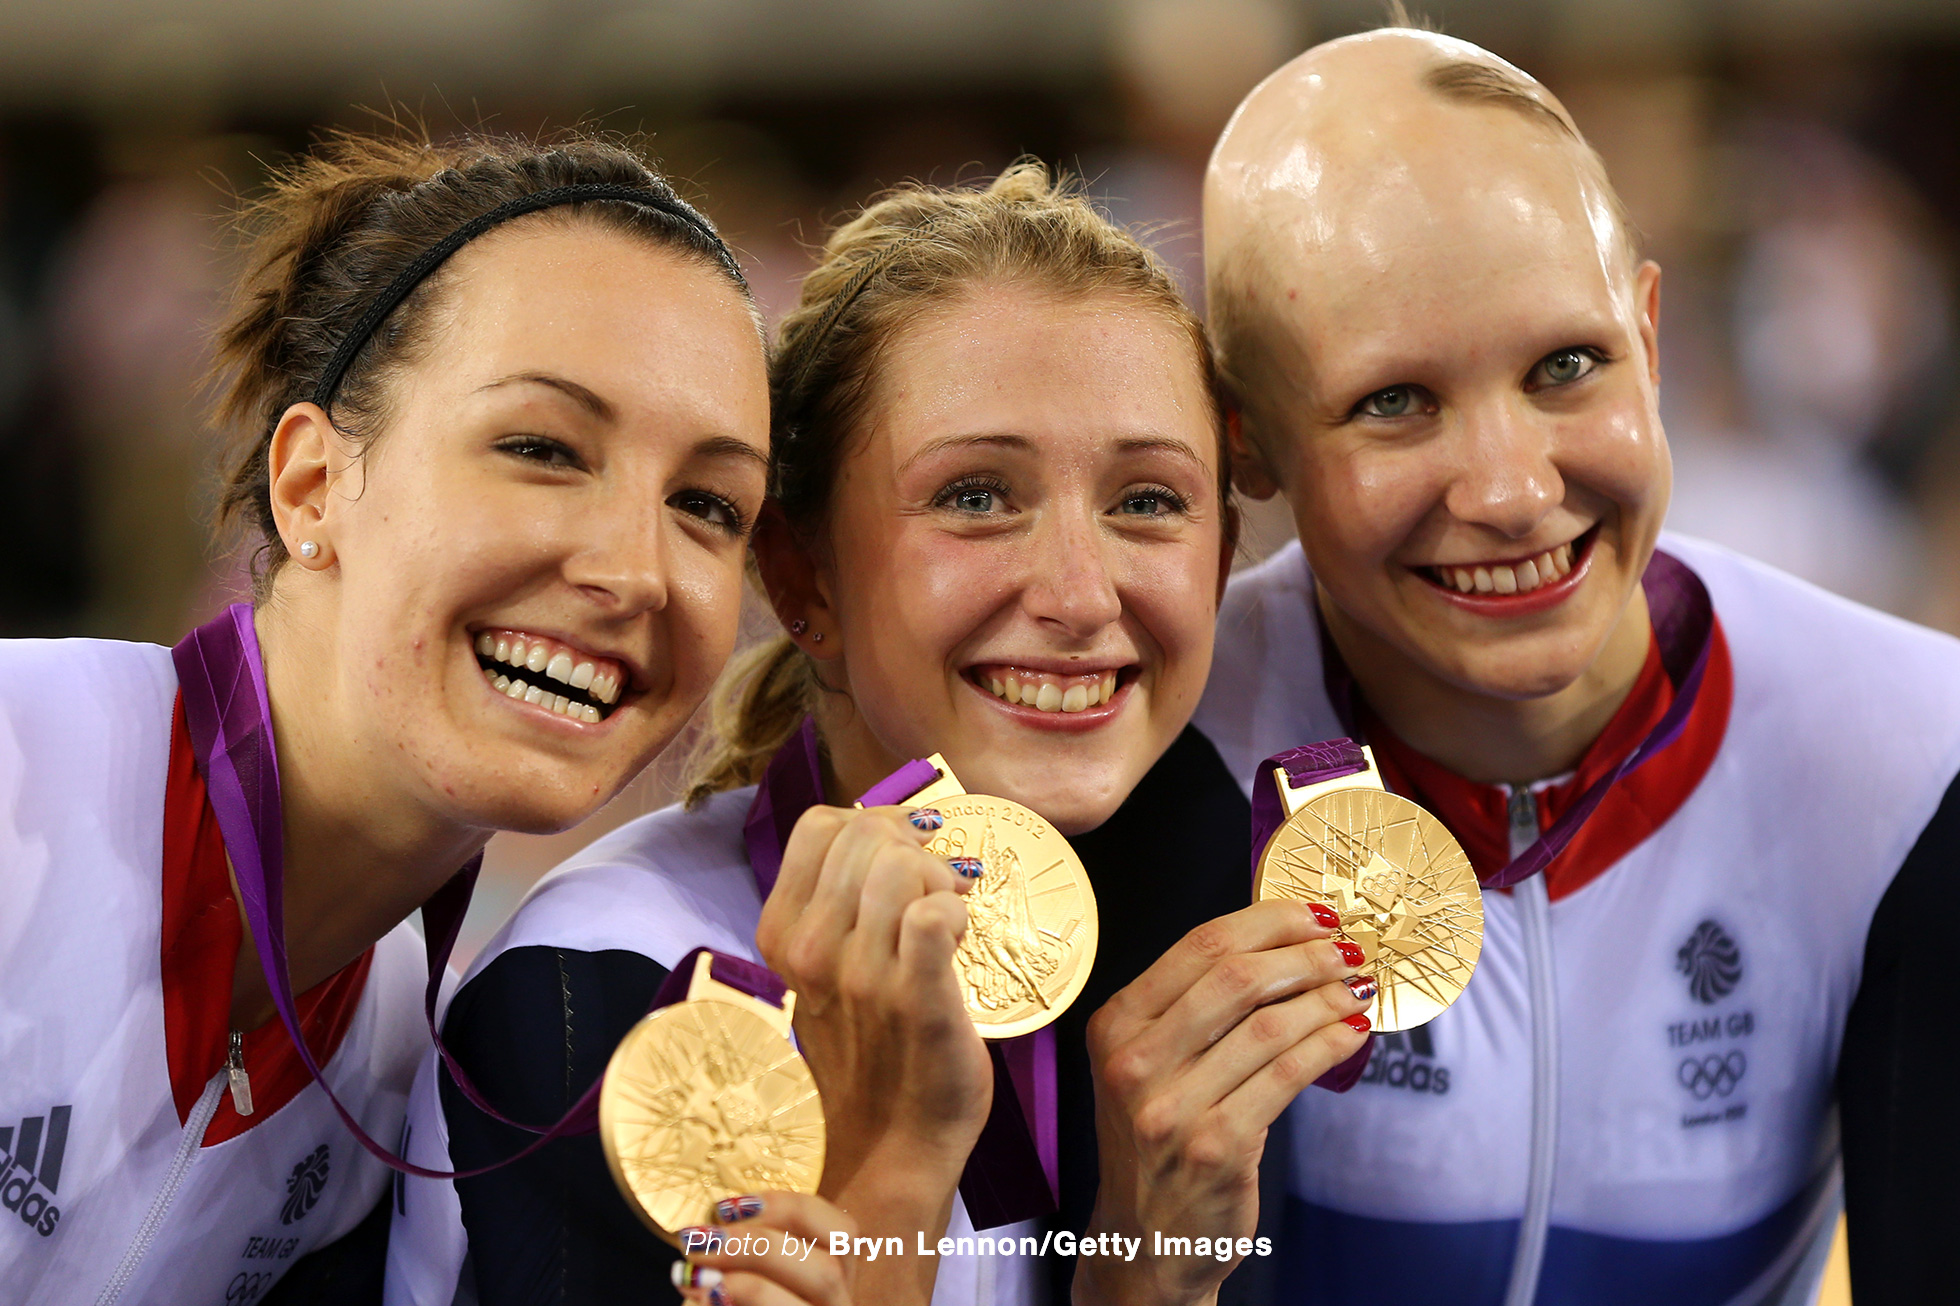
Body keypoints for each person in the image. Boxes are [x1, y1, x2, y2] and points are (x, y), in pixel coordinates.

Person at [385, 161, 1375, 1306]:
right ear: (803, 574)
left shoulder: (1182, 945)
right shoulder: (608, 994)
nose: (1079, 594)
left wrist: (1148, 1276)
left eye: (1146, 501)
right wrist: (887, 1183)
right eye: (975, 495)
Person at [1110, 22, 1960, 1306]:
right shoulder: (1152, 747)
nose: (1512, 491)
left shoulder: (1909, 761)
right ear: (1250, 444)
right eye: (1393, 401)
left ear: (1653, 335)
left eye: (1569, 365)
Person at [0, 129, 783, 1305]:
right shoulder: (17, 773)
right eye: (541, 448)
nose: (637, 570)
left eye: (709, 504)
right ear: (312, 485)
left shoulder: (397, 1077)